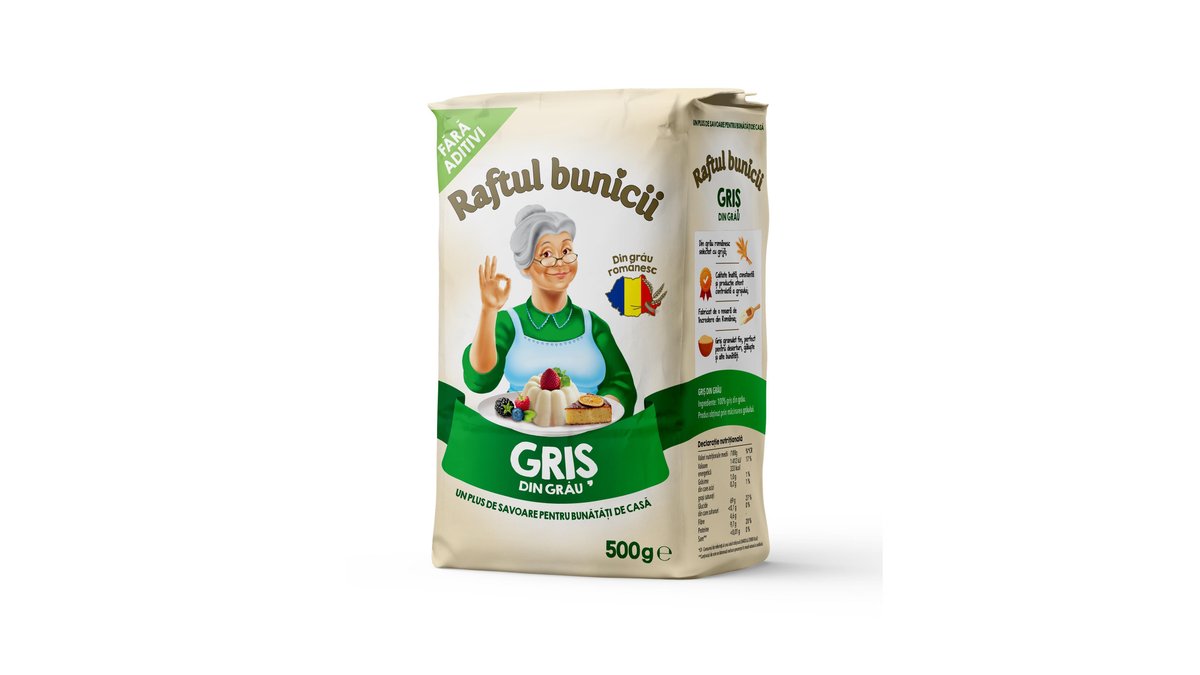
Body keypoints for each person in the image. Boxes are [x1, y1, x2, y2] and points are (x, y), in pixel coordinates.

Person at [464, 205, 635, 415]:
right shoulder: (508, 322)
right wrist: (488, 310)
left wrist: (596, 412)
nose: (560, 263)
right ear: (526, 265)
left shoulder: (593, 324)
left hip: (590, 429)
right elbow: (480, 381)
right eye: (546, 254)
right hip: (520, 426)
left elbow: (621, 383)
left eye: (566, 251)